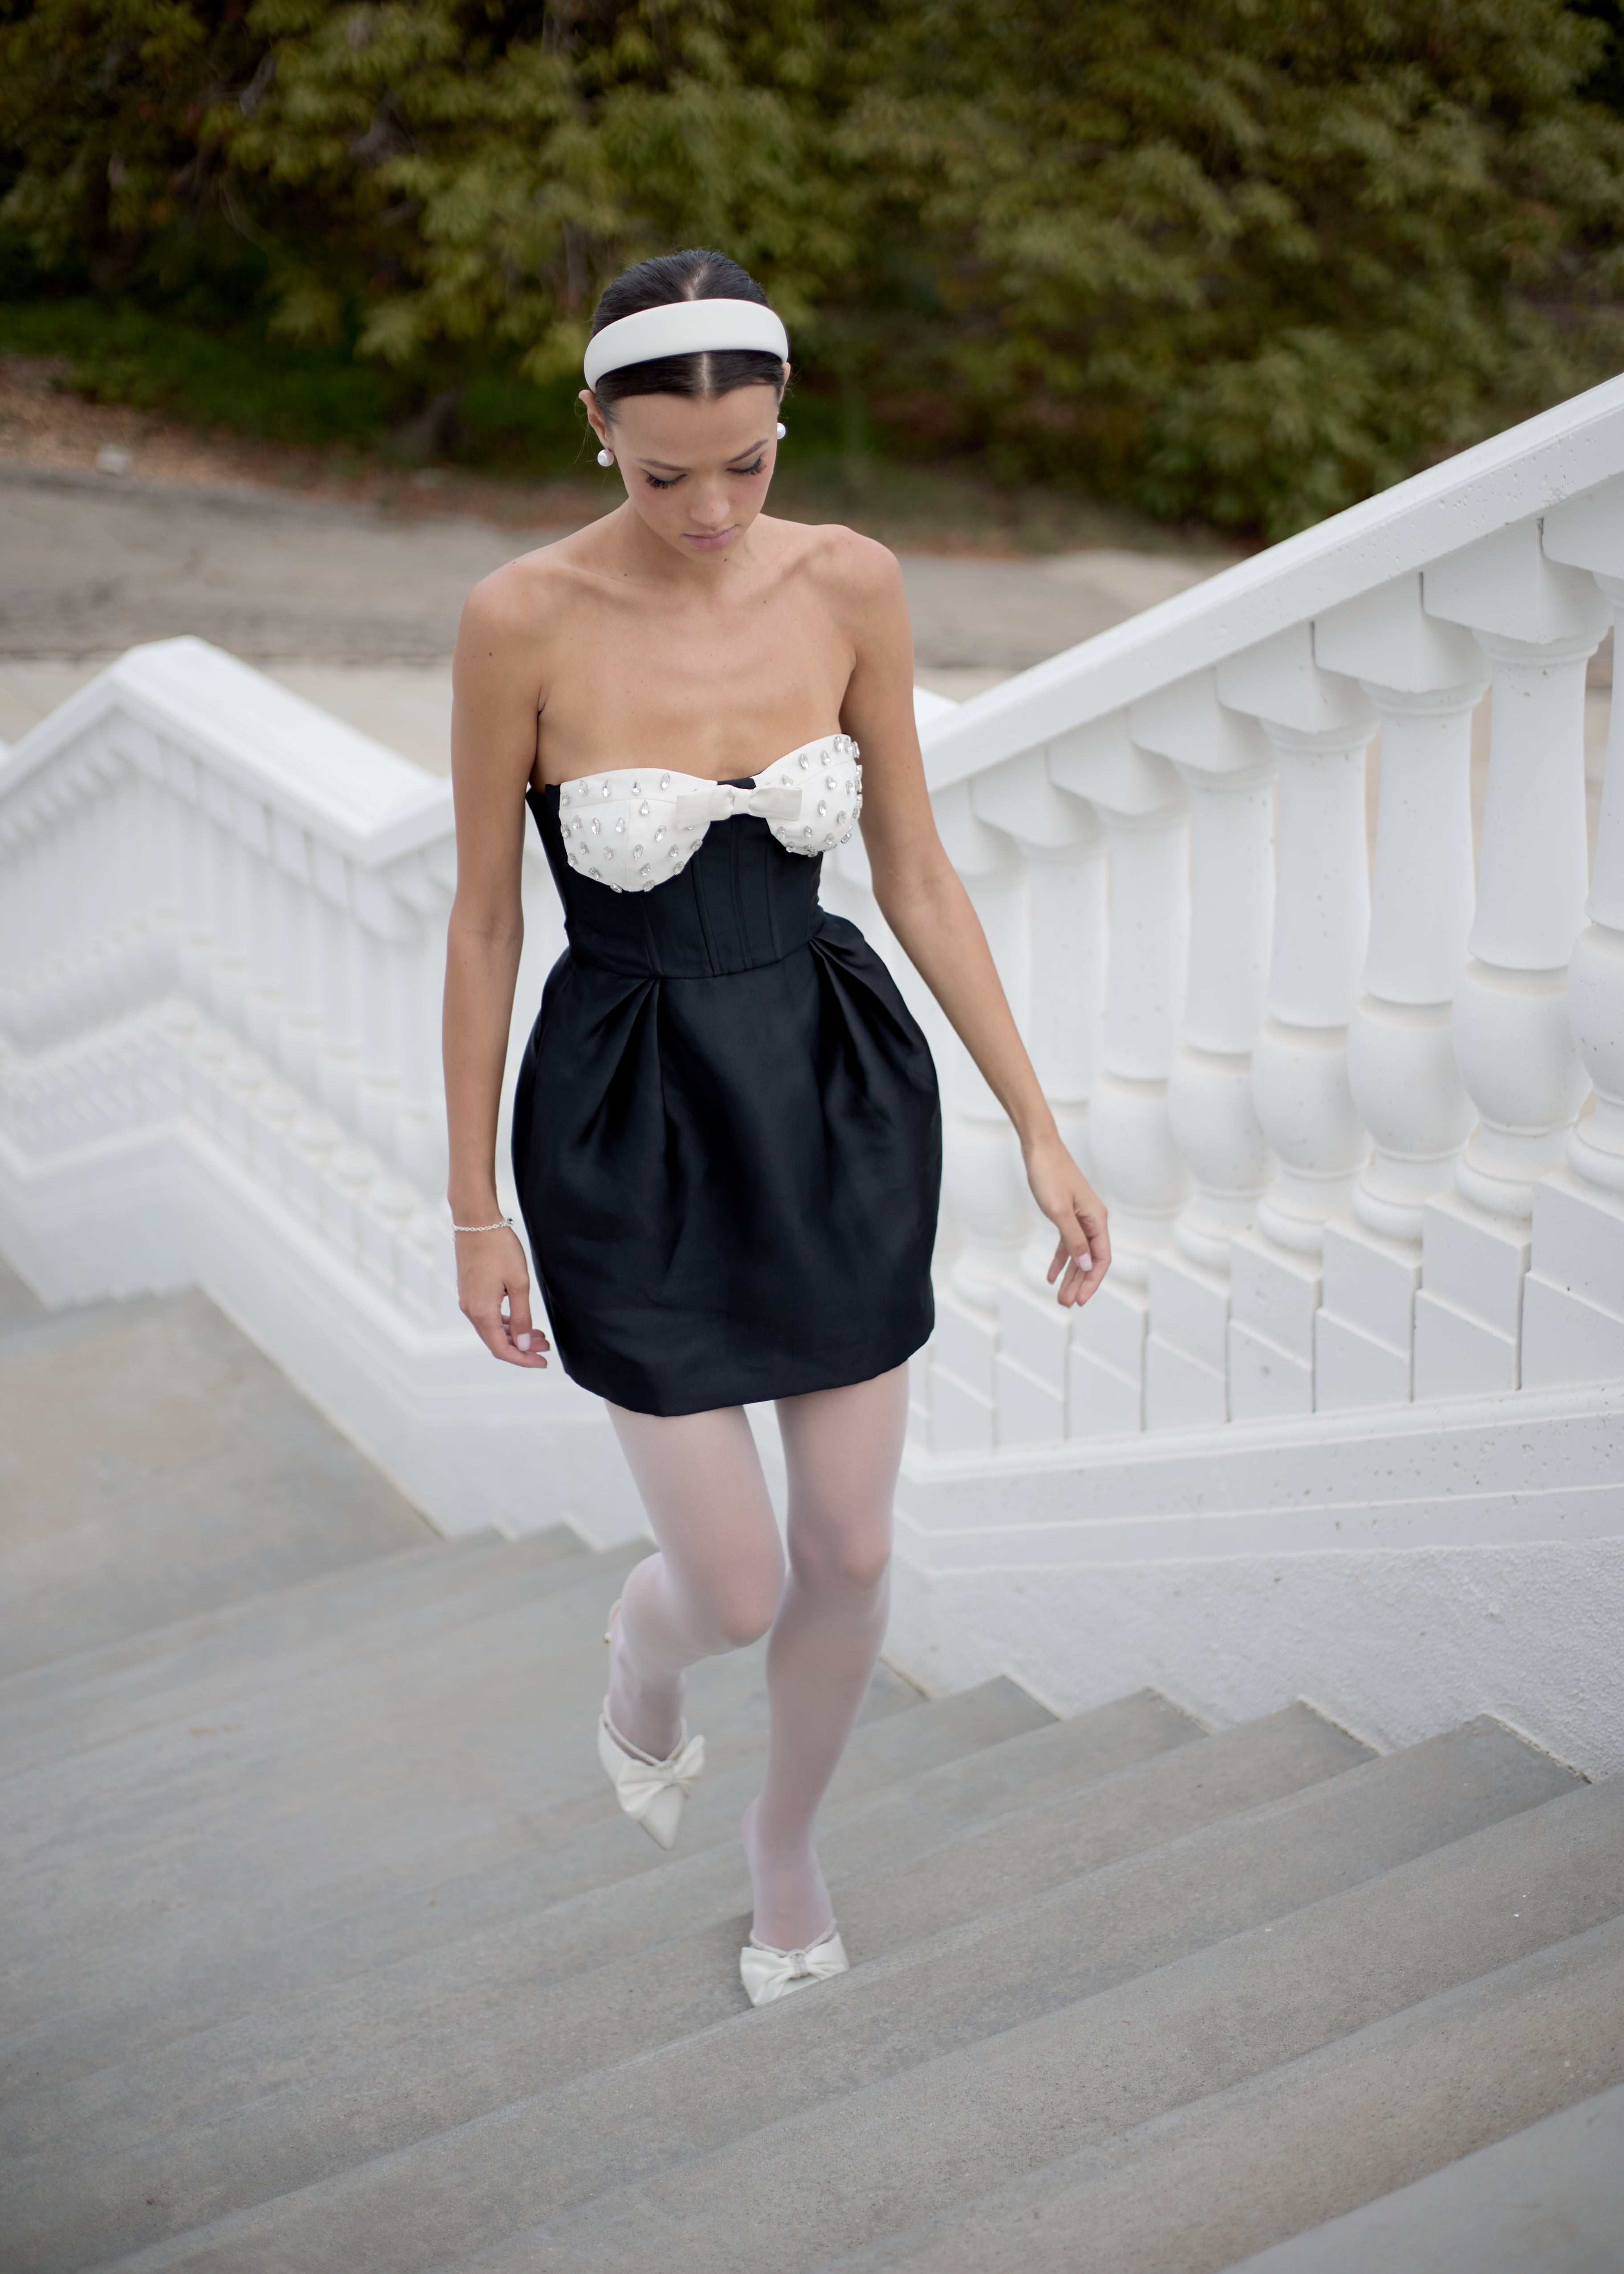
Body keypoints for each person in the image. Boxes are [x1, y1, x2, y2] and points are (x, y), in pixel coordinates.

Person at [442, 247, 1110, 2007]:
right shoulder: (521, 617)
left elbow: (918, 872)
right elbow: (486, 922)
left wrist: (1039, 1125)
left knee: (857, 1546)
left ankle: (786, 1844)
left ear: (783, 425)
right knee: (732, 1586)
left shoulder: (852, 583)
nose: (713, 509)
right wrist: (472, 1208)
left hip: (830, 1085)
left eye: (747, 464)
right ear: (597, 428)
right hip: (624, 1110)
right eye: (668, 472)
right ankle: (640, 1654)